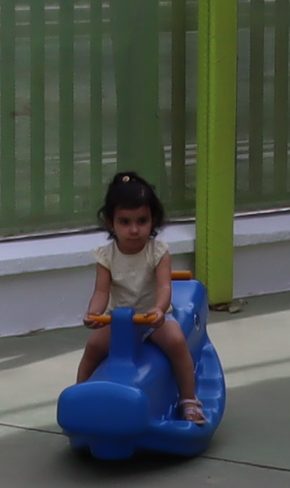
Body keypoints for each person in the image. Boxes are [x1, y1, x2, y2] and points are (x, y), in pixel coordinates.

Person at [76, 169, 203, 426]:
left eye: (142, 221)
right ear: (110, 222)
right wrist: (94, 313)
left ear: (153, 220)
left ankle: (188, 399)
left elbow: (165, 287)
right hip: (120, 320)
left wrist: (158, 309)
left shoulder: (158, 252)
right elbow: (101, 291)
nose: (134, 230)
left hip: (151, 317)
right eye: (125, 222)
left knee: (177, 342)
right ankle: (79, 396)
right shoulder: (105, 255)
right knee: (93, 347)